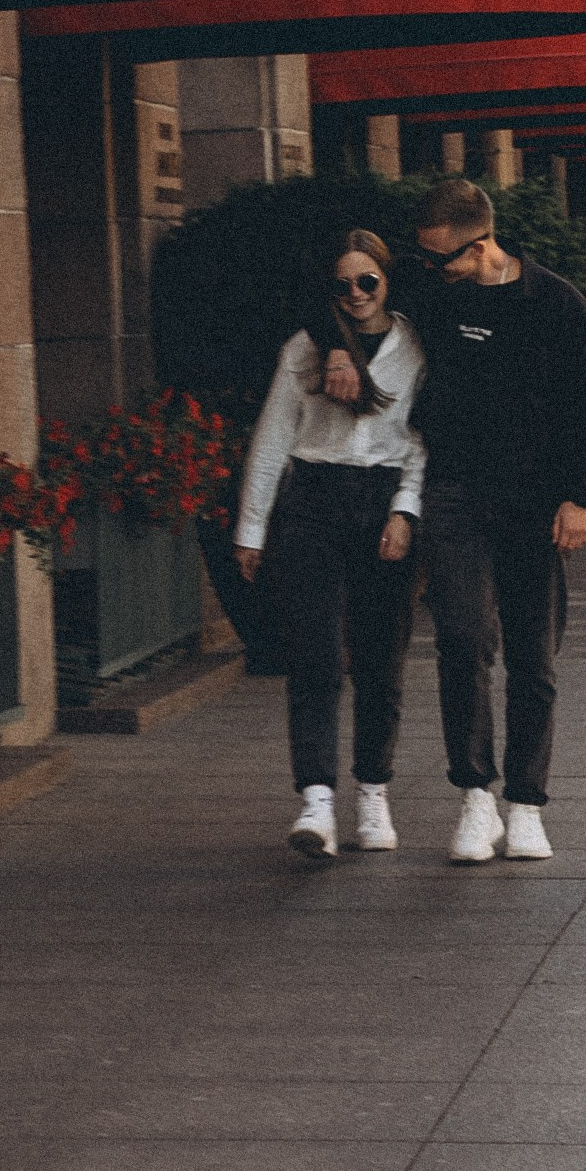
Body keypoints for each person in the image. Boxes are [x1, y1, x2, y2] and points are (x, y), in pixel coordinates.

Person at [326, 174, 586, 863]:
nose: (429, 268)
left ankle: (527, 804)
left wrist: (578, 495)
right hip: (455, 494)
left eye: (441, 256)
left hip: (535, 502)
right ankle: (476, 796)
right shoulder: (434, 291)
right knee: (461, 639)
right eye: (424, 257)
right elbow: (348, 294)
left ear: (480, 245)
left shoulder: (556, 304)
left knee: (533, 656)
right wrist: (334, 343)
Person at [237, 231, 424, 862]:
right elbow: (272, 438)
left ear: (387, 281)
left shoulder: (412, 347)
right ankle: (316, 798)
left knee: (381, 659)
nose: (356, 294)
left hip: (383, 503)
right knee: (314, 657)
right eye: (342, 284)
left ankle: (373, 791)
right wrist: (252, 529)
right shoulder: (305, 348)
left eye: (367, 281)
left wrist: (405, 510)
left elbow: (422, 439)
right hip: (313, 502)